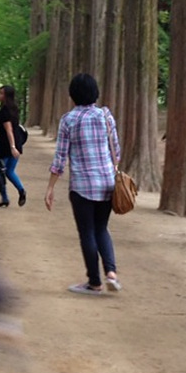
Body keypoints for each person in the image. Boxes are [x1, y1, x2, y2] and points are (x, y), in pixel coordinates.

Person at [44, 72, 121, 295]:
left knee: (87, 232)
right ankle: (111, 273)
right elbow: (116, 151)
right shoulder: (106, 116)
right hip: (107, 183)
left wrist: (50, 187)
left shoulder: (69, 120)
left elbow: (60, 158)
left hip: (82, 186)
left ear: (73, 95)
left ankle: (94, 282)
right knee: (101, 228)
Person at [0, 84, 27, 207]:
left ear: (6, 96)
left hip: (6, 146)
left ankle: (5, 198)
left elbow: (9, 130)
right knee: (9, 171)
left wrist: (12, 147)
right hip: (17, 144)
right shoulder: (14, 109)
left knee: (0, 172)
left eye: (1, 93)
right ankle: (21, 190)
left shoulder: (5, 111)